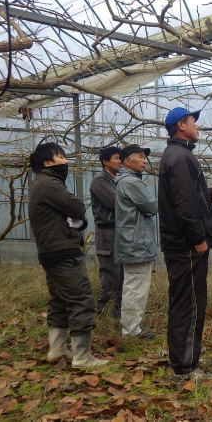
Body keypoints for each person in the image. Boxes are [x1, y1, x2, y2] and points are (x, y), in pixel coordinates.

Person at [158, 107, 212, 382]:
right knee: (188, 304)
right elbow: (184, 205)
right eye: (193, 122)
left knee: (187, 302)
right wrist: (198, 240)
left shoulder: (180, 154)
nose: (198, 126)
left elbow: (191, 196)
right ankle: (183, 368)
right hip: (186, 246)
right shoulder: (179, 157)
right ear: (180, 126)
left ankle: (184, 361)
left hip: (182, 244)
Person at [28, 142, 108, 368]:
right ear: (47, 162)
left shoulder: (42, 183)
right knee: (81, 298)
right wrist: (76, 217)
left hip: (51, 250)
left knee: (60, 300)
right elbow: (76, 207)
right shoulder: (49, 184)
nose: (66, 161)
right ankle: (83, 356)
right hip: (62, 250)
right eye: (60, 157)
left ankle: (57, 349)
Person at [114, 144, 158, 340]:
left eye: (144, 157)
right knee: (135, 286)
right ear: (127, 161)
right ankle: (131, 331)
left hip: (134, 240)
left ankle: (132, 327)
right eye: (139, 157)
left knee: (136, 284)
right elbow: (151, 207)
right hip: (135, 243)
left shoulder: (128, 180)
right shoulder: (131, 182)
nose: (144, 160)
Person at [90, 146, 124, 318]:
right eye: (117, 158)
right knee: (111, 276)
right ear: (105, 161)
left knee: (121, 276)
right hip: (107, 233)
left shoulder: (116, 179)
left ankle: (116, 315)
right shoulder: (100, 180)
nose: (120, 161)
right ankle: (103, 315)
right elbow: (114, 201)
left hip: (118, 233)